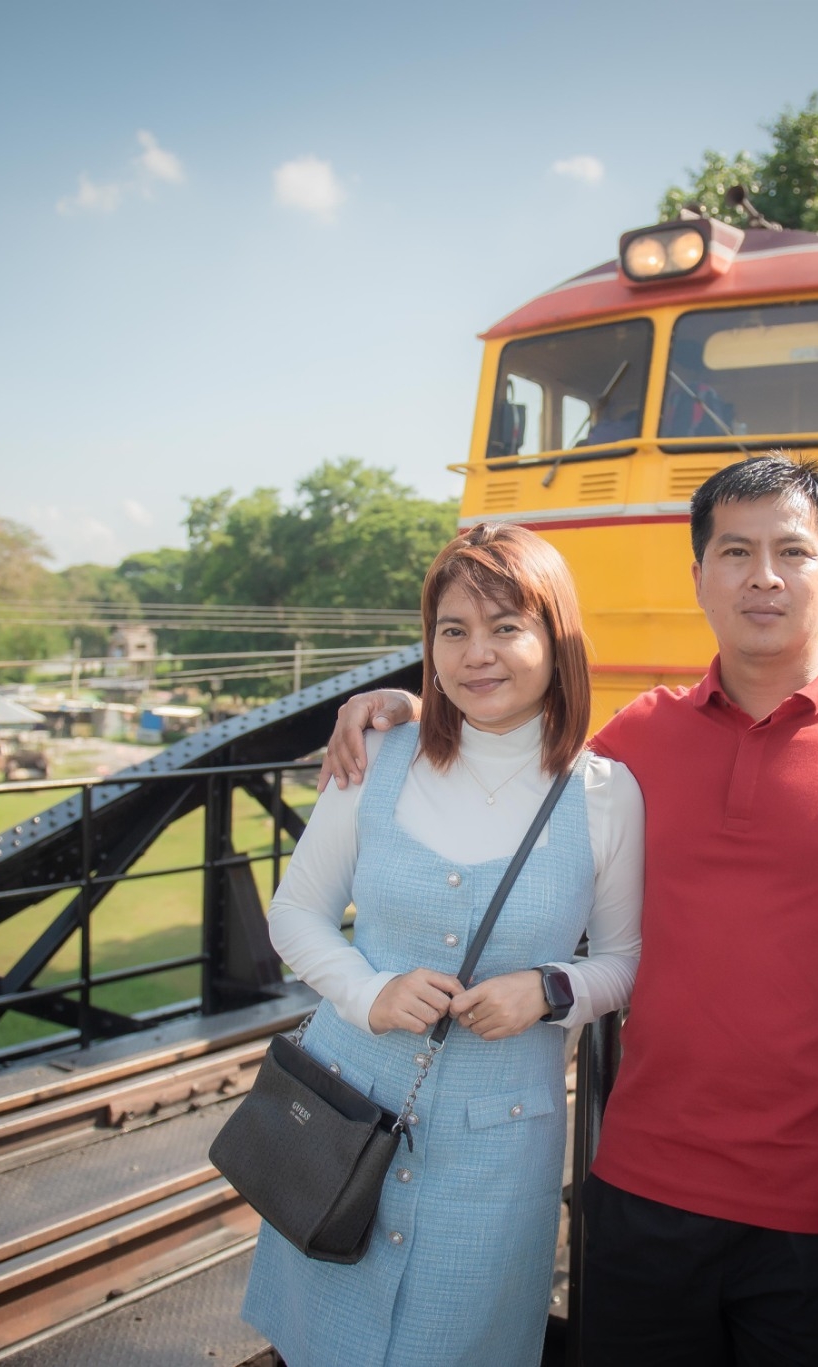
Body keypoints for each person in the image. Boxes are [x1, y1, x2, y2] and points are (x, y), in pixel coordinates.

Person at [322, 456, 818, 1366]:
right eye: (735, 552)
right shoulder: (636, 741)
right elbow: (514, 757)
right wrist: (413, 708)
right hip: (643, 1186)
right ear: (698, 576)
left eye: (792, 552)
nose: (764, 576)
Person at [240, 523, 645, 1367]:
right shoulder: (379, 755)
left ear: (557, 638)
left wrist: (549, 990)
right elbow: (297, 913)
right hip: (343, 1120)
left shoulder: (603, 794)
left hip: (496, 1154)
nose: (476, 653)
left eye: (506, 627)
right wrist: (370, 992)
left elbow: (623, 960)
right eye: (452, 629)